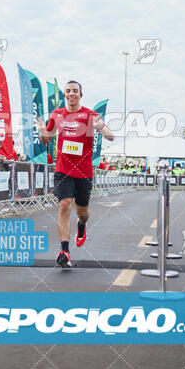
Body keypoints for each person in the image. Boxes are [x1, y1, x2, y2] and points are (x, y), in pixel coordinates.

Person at [36, 80, 114, 268]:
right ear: (64, 95)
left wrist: (100, 126)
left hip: (84, 171)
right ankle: (65, 251)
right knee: (64, 205)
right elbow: (47, 138)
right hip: (63, 168)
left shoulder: (90, 115)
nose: (71, 94)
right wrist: (41, 132)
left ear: (80, 94)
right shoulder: (57, 114)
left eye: (75, 91)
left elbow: (110, 136)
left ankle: (82, 224)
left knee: (82, 211)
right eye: (68, 91)